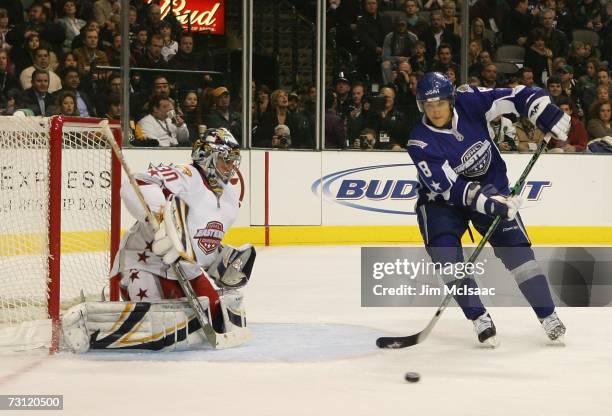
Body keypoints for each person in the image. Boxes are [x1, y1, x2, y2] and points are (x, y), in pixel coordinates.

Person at [406, 72, 570, 346]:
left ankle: (547, 315)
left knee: (519, 254)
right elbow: (450, 188)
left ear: (451, 100)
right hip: (440, 202)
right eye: (428, 105)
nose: (435, 110)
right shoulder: (419, 142)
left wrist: (542, 110)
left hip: (491, 187)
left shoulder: (470, 101)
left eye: (440, 103)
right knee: (445, 255)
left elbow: (516, 96)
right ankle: (478, 316)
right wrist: (491, 204)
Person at [104, 128, 253, 346]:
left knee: (218, 321)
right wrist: (162, 220)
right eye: (224, 160)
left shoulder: (230, 197)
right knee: (153, 330)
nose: (230, 168)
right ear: (207, 156)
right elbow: (135, 185)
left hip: (185, 269)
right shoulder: (186, 175)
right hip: (143, 262)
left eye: (233, 162)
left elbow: (201, 243)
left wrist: (217, 262)